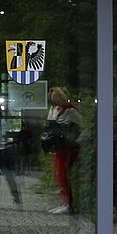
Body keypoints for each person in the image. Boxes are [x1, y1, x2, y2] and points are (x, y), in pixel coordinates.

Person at [47, 86, 82, 215]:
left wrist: (77, 141)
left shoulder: (70, 111)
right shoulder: (56, 110)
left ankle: (68, 203)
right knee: (59, 174)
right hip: (60, 146)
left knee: (63, 174)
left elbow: (84, 126)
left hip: (68, 147)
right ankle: (64, 202)